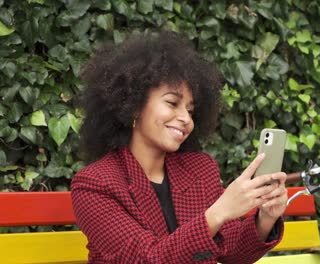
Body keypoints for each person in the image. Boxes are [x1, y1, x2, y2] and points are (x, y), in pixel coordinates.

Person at [71, 31, 288, 263]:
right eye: (172, 103)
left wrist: (265, 218)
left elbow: (231, 253)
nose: (186, 118)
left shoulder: (199, 169)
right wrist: (218, 213)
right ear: (133, 105)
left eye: (191, 110)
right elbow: (146, 259)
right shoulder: (94, 185)